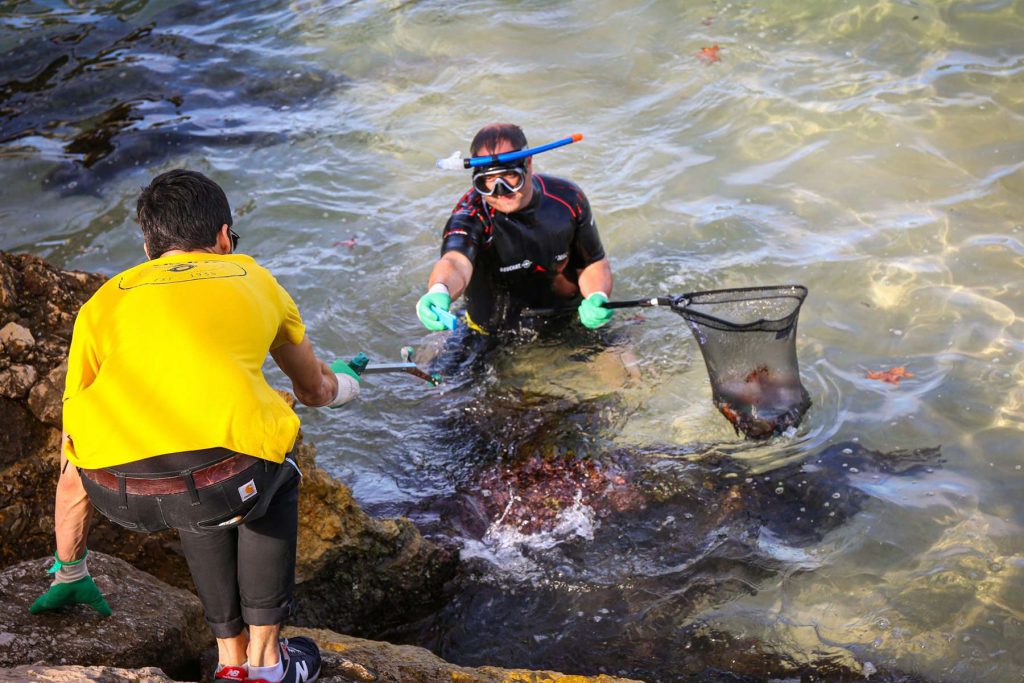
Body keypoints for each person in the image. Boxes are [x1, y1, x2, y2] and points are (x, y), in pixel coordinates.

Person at [29, 169, 359, 683]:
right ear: (225, 236)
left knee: (187, 465)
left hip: (116, 491)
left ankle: (229, 659)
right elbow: (315, 391)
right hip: (221, 482)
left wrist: (70, 567)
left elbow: (72, 458)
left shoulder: (103, 302)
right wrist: (345, 386)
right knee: (274, 467)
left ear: (147, 244)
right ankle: (268, 662)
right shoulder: (254, 277)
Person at [416, 123, 614, 338]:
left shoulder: (567, 198)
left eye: (510, 177)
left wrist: (597, 295)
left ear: (528, 163)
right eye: (488, 181)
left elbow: (592, 262)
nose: (500, 191)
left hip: (570, 318)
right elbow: (455, 261)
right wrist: (439, 290)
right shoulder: (471, 214)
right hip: (491, 332)